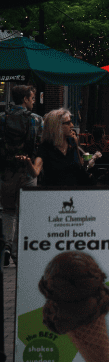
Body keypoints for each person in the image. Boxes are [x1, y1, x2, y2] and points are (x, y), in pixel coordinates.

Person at [1, 84, 43, 264]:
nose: (33, 102)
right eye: (32, 98)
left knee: (8, 211)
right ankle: (18, 253)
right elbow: (40, 145)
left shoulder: (2, 118)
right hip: (27, 170)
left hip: (6, 172)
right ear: (25, 99)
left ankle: (5, 247)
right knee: (24, 213)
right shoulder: (36, 120)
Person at [37, 108, 92, 190]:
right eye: (68, 123)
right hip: (53, 194)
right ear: (57, 126)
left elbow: (79, 167)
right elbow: (36, 170)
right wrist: (27, 162)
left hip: (74, 193)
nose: (72, 125)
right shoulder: (46, 147)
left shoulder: (72, 142)